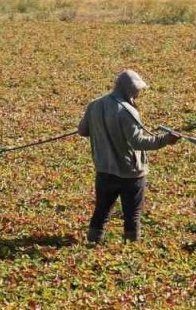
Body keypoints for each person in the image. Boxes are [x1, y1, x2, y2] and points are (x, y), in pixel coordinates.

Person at [77, 70, 180, 243]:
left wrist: (99, 124)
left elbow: (82, 130)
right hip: (130, 173)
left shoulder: (94, 105)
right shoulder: (127, 111)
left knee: (101, 210)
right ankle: (131, 248)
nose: (138, 93)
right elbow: (138, 142)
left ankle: (93, 243)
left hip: (104, 170)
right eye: (137, 90)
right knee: (132, 215)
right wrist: (166, 140)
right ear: (129, 89)